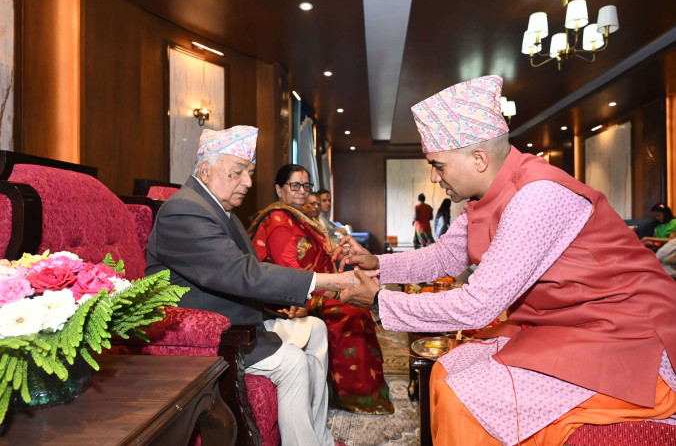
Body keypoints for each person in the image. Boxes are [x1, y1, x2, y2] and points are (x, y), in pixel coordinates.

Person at [336, 75, 676, 445]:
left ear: (478, 159)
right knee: (446, 371)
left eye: (438, 165)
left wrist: (380, 301)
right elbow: (446, 255)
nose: (434, 178)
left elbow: (478, 306)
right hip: (566, 324)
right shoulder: (484, 194)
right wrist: (378, 264)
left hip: (626, 334)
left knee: (466, 398)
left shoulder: (537, 195)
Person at [145, 126, 363, 446]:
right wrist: (328, 282)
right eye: (237, 172)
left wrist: (278, 302)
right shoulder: (184, 210)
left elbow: (241, 275)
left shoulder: (222, 211)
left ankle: (320, 438)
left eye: (249, 173)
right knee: (293, 362)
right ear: (205, 170)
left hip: (241, 318)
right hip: (212, 332)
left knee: (316, 329)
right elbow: (239, 273)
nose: (248, 182)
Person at [248, 164, 394, 414]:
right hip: (291, 297)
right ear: (279, 189)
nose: (302, 191)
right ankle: (352, 395)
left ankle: (358, 391)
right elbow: (290, 273)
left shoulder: (299, 217)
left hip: (312, 286)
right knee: (351, 312)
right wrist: (332, 290)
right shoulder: (279, 220)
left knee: (358, 304)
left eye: (306, 186)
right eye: (295, 185)